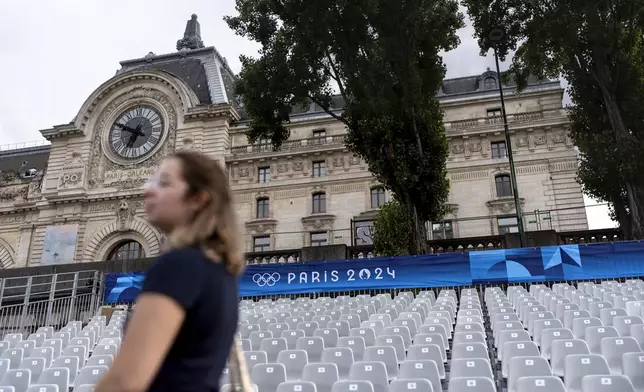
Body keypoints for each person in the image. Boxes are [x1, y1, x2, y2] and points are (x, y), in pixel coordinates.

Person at [95, 151, 245, 392]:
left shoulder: (179, 265)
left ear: (197, 198)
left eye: (164, 183)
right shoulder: (219, 270)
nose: (147, 190)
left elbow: (125, 382)